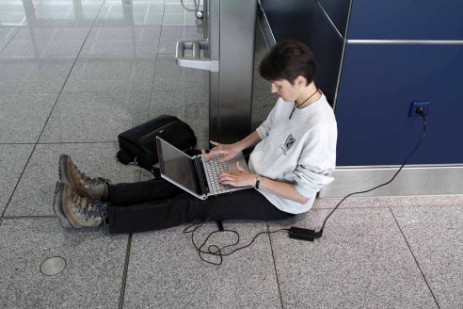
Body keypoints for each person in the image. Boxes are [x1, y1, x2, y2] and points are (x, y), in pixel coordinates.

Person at [52, 39, 338, 233]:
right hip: (252, 171)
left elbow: (302, 195)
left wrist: (254, 180)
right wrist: (234, 148)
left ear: (300, 81)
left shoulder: (320, 128)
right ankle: (102, 192)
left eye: (276, 86)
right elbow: (266, 129)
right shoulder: (291, 98)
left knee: (195, 205)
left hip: (276, 199)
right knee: (184, 176)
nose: (272, 92)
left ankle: (100, 218)